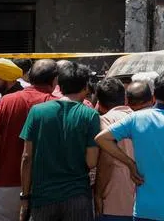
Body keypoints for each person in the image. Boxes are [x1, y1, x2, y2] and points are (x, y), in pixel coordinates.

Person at [96, 68, 164, 221]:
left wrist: (130, 164)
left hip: (143, 211)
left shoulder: (135, 119)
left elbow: (102, 139)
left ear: (154, 96)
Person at [0, 59, 59, 221]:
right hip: (43, 186)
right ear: (55, 80)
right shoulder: (57, 105)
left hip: (6, 186)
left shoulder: (7, 102)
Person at [19, 62, 99, 221]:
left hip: (43, 198)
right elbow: (91, 161)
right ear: (85, 87)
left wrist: (25, 197)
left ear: (59, 85)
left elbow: (26, 157)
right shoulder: (90, 115)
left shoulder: (37, 111)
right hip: (77, 197)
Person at [92, 77, 134, 221]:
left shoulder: (105, 121)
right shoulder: (140, 119)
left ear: (100, 104)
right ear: (125, 98)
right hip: (140, 203)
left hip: (113, 201)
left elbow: (107, 160)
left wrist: (98, 194)